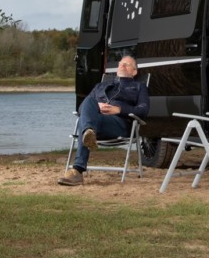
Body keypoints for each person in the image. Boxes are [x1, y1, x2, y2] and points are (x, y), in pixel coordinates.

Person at [58, 56, 149, 186]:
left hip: (119, 124)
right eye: (121, 64)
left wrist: (119, 109)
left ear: (134, 72)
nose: (122, 66)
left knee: (86, 122)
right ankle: (89, 133)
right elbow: (81, 108)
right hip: (97, 121)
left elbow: (143, 110)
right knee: (88, 102)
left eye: (127, 64)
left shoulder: (139, 87)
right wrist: (98, 106)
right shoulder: (100, 86)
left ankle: (77, 170)